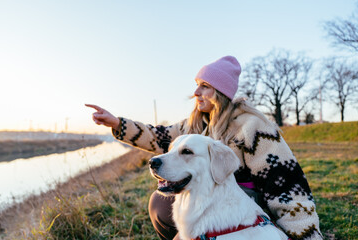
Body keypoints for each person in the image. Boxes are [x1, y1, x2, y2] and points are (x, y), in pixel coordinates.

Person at [86, 56, 322, 240]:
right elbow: (160, 137)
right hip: (206, 199)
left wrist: (304, 234)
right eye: (197, 85)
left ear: (220, 92)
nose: (196, 92)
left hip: (244, 208)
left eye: (204, 86)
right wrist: (117, 123)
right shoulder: (195, 124)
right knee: (159, 204)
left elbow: (287, 183)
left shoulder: (253, 126)